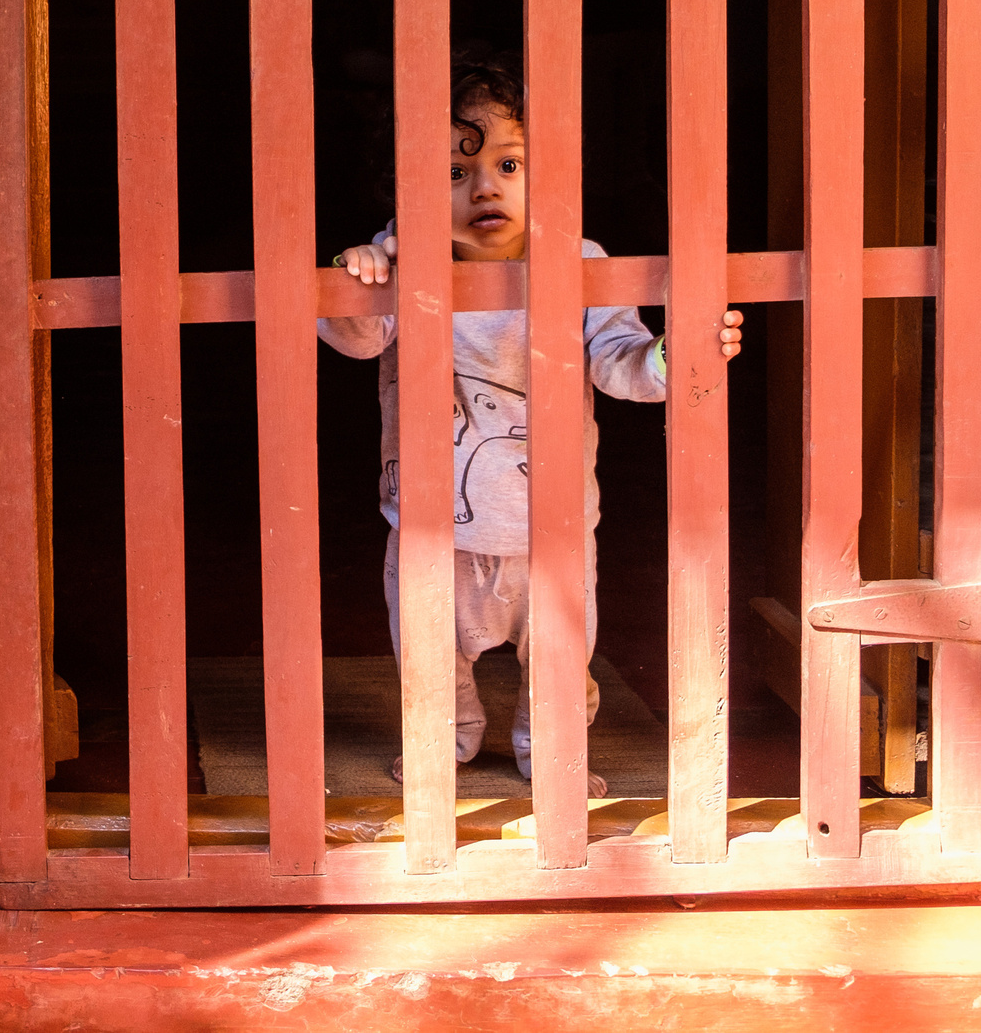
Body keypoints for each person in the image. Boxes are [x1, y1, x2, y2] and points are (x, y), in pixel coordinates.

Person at [318, 52, 743, 795]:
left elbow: (619, 364)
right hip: (430, 532)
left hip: (553, 528)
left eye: (509, 164)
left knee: (559, 655)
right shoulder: (405, 257)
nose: (484, 186)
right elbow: (355, 341)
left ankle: (550, 749)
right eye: (454, 171)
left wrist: (672, 356)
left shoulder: (579, 262)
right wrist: (356, 280)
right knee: (428, 655)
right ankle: (446, 736)